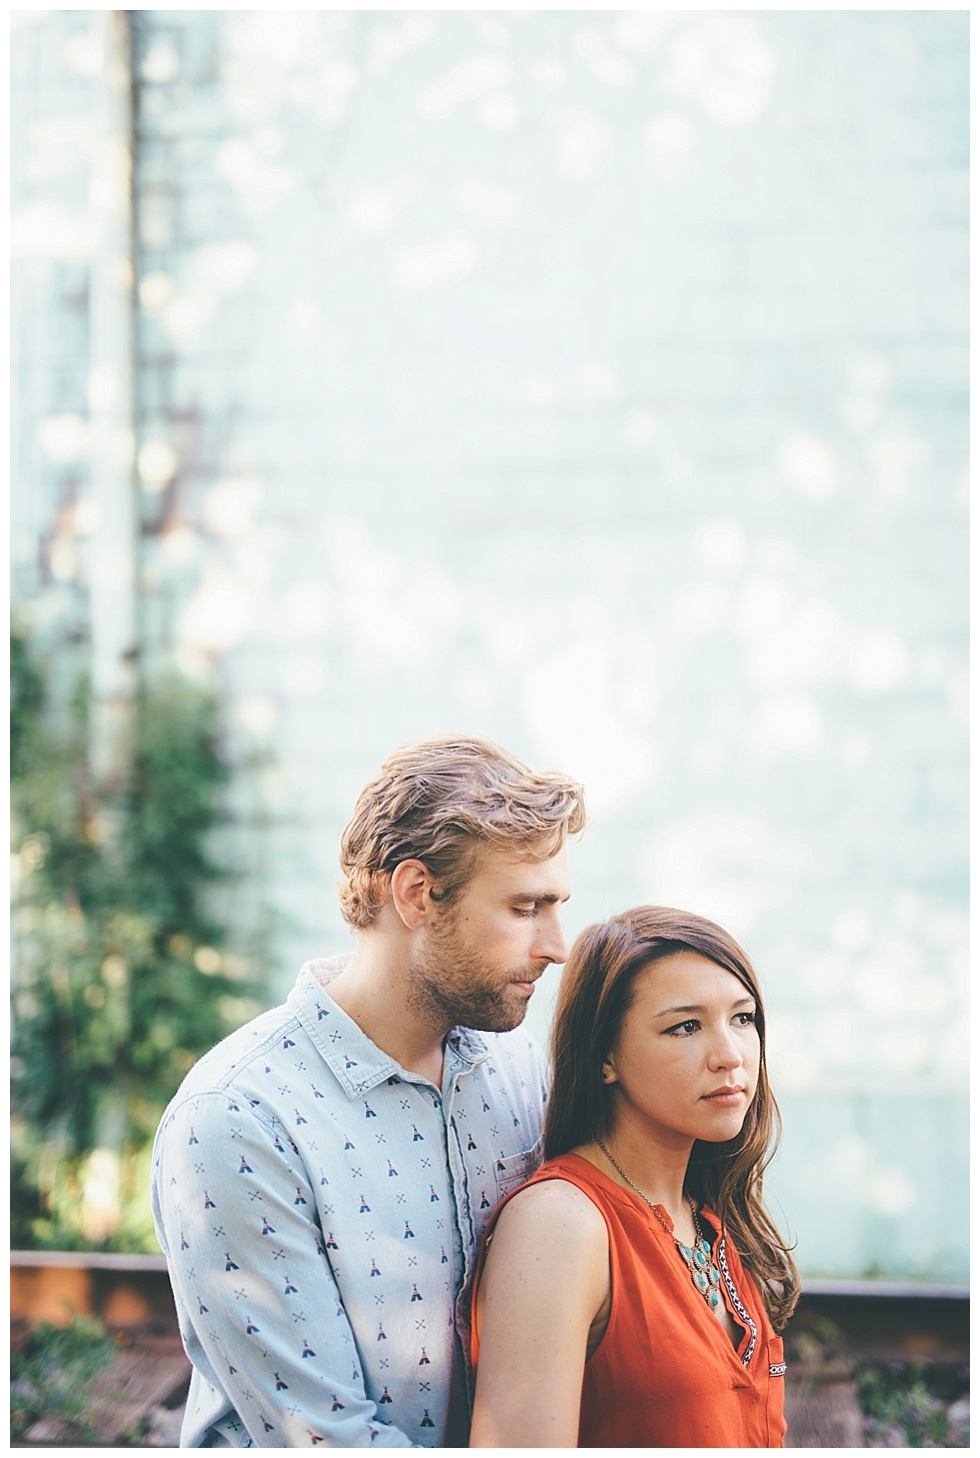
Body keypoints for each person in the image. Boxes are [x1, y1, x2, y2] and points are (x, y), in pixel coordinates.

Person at [151, 734, 585, 1447]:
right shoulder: (237, 1120)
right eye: (525, 907)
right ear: (417, 893)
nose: (558, 944)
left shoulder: (518, 1069)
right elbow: (325, 1440)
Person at [469, 905, 799, 1449]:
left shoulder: (709, 1215)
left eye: (743, 1018)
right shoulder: (561, 1224)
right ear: (605, 1057)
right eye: (685, 1026)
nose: (729, 1055)